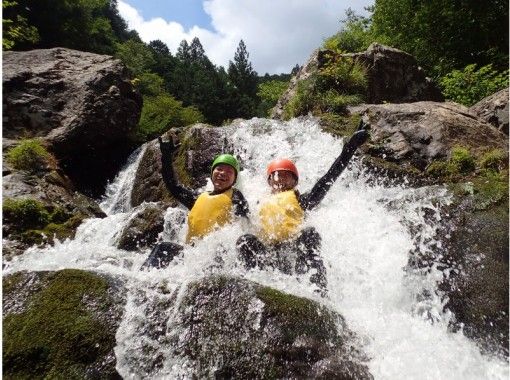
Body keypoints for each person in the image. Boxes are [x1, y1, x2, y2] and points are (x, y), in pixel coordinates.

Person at [236, 120, 369, 294]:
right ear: (269, 181)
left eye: (285, 175)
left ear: (294, 181)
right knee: (244, 241)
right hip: (268, 257)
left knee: (309, 233)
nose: (280, 179)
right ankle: (251, 291)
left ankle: (319, 293)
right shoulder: (258, 204)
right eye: (276, 176)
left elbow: (329, 177)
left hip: (294, 256)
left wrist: (349, 149)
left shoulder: (303, 200)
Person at [141, 136, 249, 270]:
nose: (222, 173)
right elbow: (173, 185)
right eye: (219, 169)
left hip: (219, 256)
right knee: (163, 247)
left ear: (234, 179)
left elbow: (245, 225)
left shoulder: (236, 196)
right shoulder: (198, 198)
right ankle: (141, 280)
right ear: (212, 173)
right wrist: (167, 157)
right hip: (192, 255)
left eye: (229, 171)